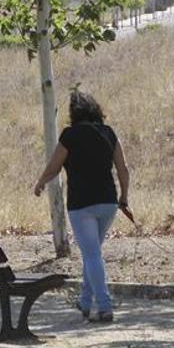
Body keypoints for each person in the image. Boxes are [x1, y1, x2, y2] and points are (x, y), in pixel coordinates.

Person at [33, 91, 130, 322]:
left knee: (92, 254)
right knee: (92, 253)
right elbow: (123, 169)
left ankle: (105, 306)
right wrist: (124, 198)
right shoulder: (108, 133)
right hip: (108, 201)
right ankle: (85, 302)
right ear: (96, 110)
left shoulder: (70, 135)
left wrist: (40, 183)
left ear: (73, 114)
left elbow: (54, 167)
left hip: (81, 204)